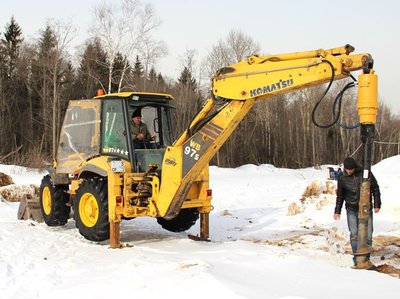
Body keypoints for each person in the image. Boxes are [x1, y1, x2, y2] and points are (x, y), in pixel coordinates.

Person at [333, 157, 381, 266]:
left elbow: (375, 188)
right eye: (347, 170)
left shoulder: (365, 173)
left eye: (351, 169)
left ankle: (365, 259)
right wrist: (337, 211)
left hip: (365, 208)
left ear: (355, 168)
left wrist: (377, 204)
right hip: (351, 208)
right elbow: (340, 196)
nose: (349, 172)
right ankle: (357, 259)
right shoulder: (341, 177)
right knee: (354, 234)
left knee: (368, 235)